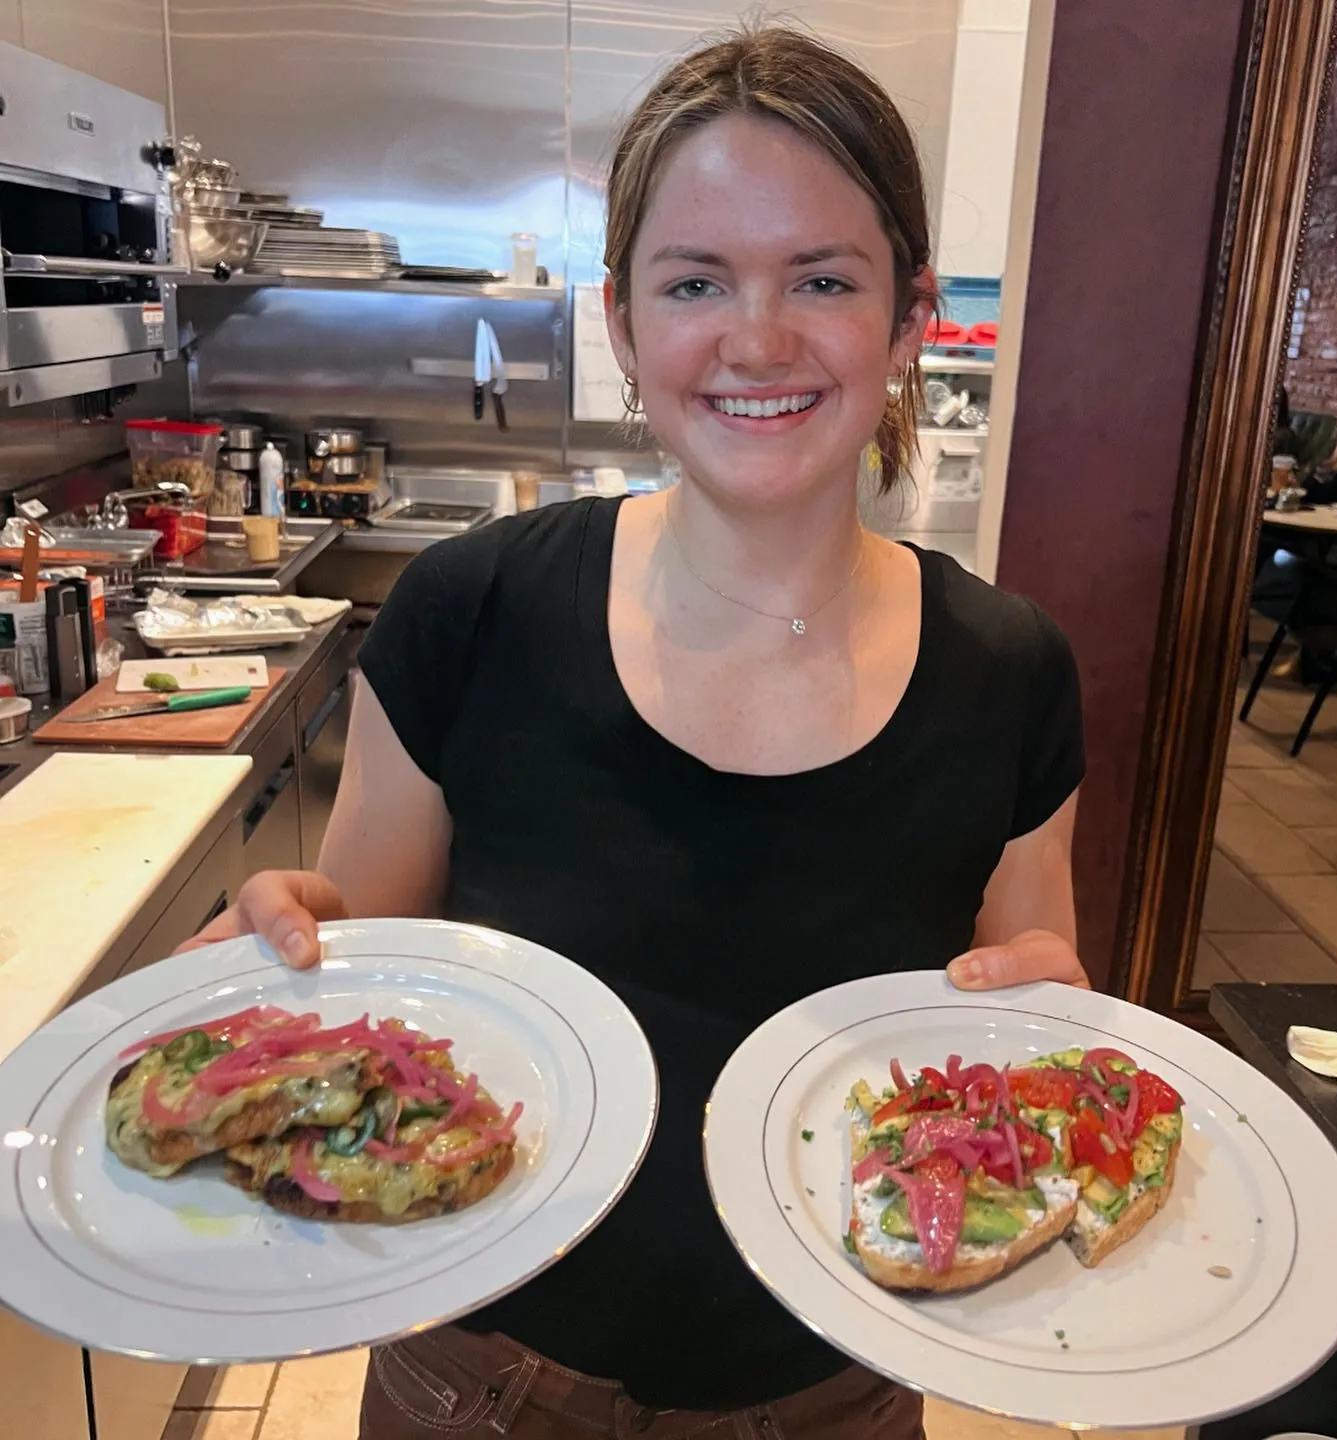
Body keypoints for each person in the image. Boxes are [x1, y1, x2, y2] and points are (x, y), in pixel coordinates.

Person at [181, 27, 1089, 1440]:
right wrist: (286, 955)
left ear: (909, 318)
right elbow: (364, 969)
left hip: (835, 1400)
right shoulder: (469, 609)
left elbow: (1026, 1018)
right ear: (621, 320)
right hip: (475, 1387)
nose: (757, 340)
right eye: (695, 281)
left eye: (824, 279)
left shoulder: (1012, 672)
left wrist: (1055, 1033)